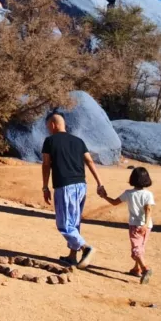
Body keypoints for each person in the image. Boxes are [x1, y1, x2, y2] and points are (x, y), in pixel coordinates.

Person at [41, 112, 107, 268]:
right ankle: (72, 257)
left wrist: (45, 186)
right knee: (74, 222)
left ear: (52, 125)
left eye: (48, 127)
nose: (48, 131)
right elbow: (89, 161)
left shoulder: (49, 141)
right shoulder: (78, 141)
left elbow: (46, 164)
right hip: (81, 186)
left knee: (64, 224)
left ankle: (85, 247)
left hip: (64, 186)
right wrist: (99, 183)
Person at [99, 167, 156, 284]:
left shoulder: (128, 193)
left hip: (135, 225)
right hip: (147, 226)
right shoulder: (148, 194)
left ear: (132, 179)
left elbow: (114, 202)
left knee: (136, 249)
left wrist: (104, 196)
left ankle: (145, 268)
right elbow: (148, 209)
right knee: (141, 247)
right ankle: (137, 269)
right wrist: (146, 224)